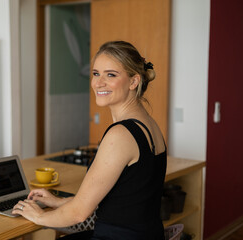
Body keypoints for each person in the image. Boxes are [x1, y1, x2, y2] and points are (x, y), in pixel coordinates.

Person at [12, 40, 167, 240]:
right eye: (95, 73)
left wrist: (39, 216)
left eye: (110, 75)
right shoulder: (149, 124)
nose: (98, 83)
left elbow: (79, 214)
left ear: (133, 81)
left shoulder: (120, 135)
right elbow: (125, 200)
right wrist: (59, 202)